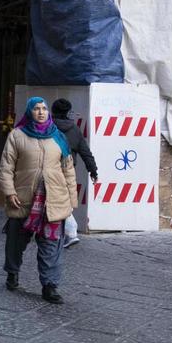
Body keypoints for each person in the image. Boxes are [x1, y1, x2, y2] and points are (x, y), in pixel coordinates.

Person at [0, 97, 78, 304]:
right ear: (29, 112)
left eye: (44, 108)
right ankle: (12, 272)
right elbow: (6, 167)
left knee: (51, 243)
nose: (41, 112)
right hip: (23, 198)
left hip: (53, 198)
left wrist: (71, 201)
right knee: (16, 240)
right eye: (36, 109)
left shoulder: (58, 137)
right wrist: (9, 191)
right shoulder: (17, 135)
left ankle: (50, 285)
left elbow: (68, 170)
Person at [51, 98, 98, 249]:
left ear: (53, 111)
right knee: (62, 199)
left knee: (51, 199)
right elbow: (85, 152)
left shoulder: (47, 127)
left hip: (49, 168)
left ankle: (71, 232)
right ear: (68, 112)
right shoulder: (75, 130)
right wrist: (93, 170)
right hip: (68, 170)